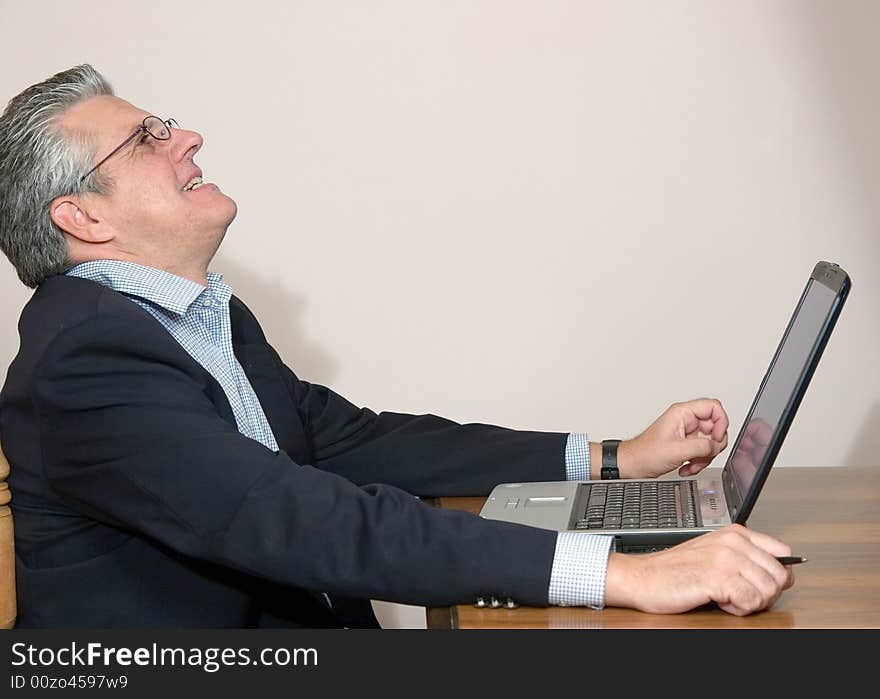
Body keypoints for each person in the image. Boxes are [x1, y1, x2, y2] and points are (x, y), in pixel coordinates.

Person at [0, 65, 794, 628]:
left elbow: (352, 441)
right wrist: (630, 575)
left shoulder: (197, 316)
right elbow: (298, 516)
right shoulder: (85, 357)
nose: (186, 138)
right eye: (146, 138)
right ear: (83, 218)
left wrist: (614, 457)